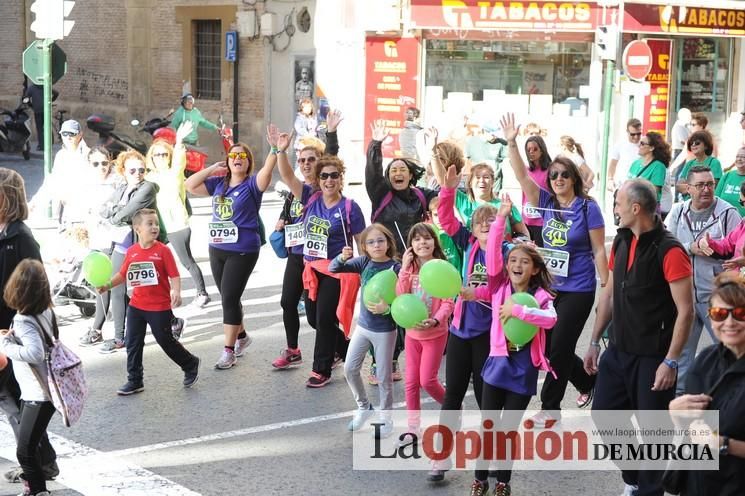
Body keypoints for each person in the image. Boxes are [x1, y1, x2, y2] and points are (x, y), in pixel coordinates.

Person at [584, 179, 694, 496]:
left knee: (654, 432)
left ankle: (649, 489)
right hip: (617, 352)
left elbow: (685, 311)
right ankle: (636, 478)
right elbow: (608, 294)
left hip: (654, 358)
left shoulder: (670, 251)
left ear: (635, 208)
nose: (615, 209)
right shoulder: (621, 241)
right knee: (605, 415)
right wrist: (593, 342)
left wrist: (671, 361)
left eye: (618, 203)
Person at [502, 113, 608, 426]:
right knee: (548, 347)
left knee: (560, 345)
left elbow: (599, 248)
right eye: (554, 175)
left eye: (564, 175)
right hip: (549, 286)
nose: (558, 179)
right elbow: (522, 176)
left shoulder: (588, 207)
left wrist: (607, 283)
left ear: (574, 178)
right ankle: (589, 383)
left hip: (579, 288)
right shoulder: (546, 202)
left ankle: (550, 407)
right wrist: (511, 142)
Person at [463, 195, 557, 496]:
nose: (517, 264)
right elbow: (492, 253)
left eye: (524, 261)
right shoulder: (498, 287)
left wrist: (518, 311)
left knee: (508, 429)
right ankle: (480, 479)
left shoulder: (541, 296)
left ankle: (503, 482)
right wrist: (501, 218)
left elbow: (549, 319)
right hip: (497, 363)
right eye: (513, 260)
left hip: (523, 368)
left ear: (533, 268)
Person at [275, 125, 366, 387]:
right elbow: (288, 175)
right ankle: (346, 347)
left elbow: (362, 242)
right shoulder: (310, 198)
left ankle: (321, 370)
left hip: (338, 269)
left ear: (341, 178)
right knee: (315, 318)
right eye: (324, 176)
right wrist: (280, 150)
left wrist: (363, 269)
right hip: (312, 268)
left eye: (333, 176)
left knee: (325, 317)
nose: (328, 180)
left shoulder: (350, 207)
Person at [427, 165, 499, 482]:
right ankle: (441, 457)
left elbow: (504, 289)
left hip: (488, 336)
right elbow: (445, 219)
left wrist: (477, 291)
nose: (485, 226)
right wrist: (448, 189)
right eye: (480, 223)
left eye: (491, 222)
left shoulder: (506, 252)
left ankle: (490, 459)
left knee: (487, 401)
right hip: (460, 332)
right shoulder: (467, 245)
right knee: (453, 394)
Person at [185, 135, 278, 369]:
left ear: (248, 162)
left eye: (242, 156)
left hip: (243, 249)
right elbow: (189, 185)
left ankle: (229, 351)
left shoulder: (253, 185)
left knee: (228, 297)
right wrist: (210, 169)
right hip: (217, 248)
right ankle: (243, 337)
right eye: (233, 156)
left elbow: (268, 169)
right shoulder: (219, 183)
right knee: (230, 296)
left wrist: (276, 148)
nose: (237, 159)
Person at [95, 209, 200, 395]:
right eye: (149, 223)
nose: (154, 227)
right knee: (132, 341)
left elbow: (174, 275)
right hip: (137, 306)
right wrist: (107, 285)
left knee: (165, 341)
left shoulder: (163, 251)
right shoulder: (132, 252)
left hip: (159, 306)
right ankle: (135, 380)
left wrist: (177, 291)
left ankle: (189, 363)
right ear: (137, 228)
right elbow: (122, 274)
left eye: (156, 223)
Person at [367, 120, 438, 383]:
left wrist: (432, 153)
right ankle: (381, 362)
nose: (398, 172)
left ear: (410, 175)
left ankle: (414, 361)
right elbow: (372, 174)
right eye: (393, 169)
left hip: (415, 264)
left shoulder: (420, 195)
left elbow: (443, 196)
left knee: (411, 312)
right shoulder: (380, 194)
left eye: (402, 169)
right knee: (384, 315)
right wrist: (375, 146)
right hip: (386, 263)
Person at [272, 111, 344, 370]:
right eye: (301, 159)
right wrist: (282, 221)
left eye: (310, 159)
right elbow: (290, 187)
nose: (304, 163)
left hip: (319, 259)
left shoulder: (323, 185)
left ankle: (341, 348)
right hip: (297, 255)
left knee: (317, 318)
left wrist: (331, 134)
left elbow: (330, 159)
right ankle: (293, 349)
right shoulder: (297, 191)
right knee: (287, 302)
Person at [0, 169, 58, 486]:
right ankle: (41, 461)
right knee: (12, 404)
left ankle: (39, 464)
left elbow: (37, 286)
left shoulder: (20, 238)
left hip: (13, 336)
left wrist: (14, 332)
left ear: (6, 198)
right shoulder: (3, 234)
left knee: (14, 403)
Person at [669, 272, 745, 496]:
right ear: (710, 319)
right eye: (720, 314)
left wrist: (722, 444)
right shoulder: (706, 360)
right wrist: (675, 412)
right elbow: (693, 430)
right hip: (702, 484)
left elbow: (709, 439)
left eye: (740, 313)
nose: (729, 322)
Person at [667, 166, 739, 394]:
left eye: (710, 184)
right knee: (681, 356)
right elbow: (666, 245)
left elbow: (738, 250)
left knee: (730, 349)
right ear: (688, 188)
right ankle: (680, 408)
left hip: (716, 299)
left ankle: (729, 401)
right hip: (684, 298)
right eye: (700, 185)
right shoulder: (678, 212)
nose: (706, 189)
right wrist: (692, 248)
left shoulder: (728, 213)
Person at [330, 224, 400, 438]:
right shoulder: (364, 262)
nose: (376, 245)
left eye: (381, 240)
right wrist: (342, 257)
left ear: (388, 242)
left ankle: (386, 419)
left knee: (383, 377)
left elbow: (404, 300)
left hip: (385, 331)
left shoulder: (397, 267)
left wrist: (386, 309)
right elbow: (334, 269)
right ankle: (364, 407)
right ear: (365, 247)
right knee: (350, 369)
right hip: (363, 327)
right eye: (371, 242)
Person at [88, 150, 160, 353]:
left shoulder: (147, 188)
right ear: (123, 171)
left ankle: (120, 337)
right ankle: (170, 322)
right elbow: (105, 208)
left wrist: (115, 213)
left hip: (135, 244)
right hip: (119, 241)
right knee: (141, 292)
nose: (138, 173)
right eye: (132, 170)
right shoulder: (122, 187)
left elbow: (125, 213)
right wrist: (116, 212)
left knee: (118, 288)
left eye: (141, 169)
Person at [0, 259, 59, 496]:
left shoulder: (23, 320)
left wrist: (6, 344)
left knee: (24, 451)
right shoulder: (46, 312)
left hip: (37, 394)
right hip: (43, 390)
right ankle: (34, 489)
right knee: (30, 447)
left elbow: (35, 352)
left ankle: (38, 491)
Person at [396, 223, 455, 437]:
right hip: (412, 335)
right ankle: (413, 428)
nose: (422, 243)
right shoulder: (409, 269)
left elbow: (449, 302)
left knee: (427, 381)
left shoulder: (441, 267)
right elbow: (401, 296)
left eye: (427, 238)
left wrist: (437, 320)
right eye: (417, 239)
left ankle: (453, 408)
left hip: (435, 334)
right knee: (411, 382)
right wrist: (404, 267)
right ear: (411, 245)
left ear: (434, 242)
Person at [145, 123, 210, 308]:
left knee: (186, 260)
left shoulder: (174, 173)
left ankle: (202, 293)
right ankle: (157, 295)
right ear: (151, 158)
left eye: (164, 154)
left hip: (177, 225)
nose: (161, 158)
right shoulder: (150, 176)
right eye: (157, 155)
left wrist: (179, 141)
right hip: (160, 226)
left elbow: (180, 160)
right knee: (154, 261)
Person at [77, 146, 124, 346]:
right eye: (96, 163)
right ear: (89, 164)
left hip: (114, 240)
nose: (101, 167)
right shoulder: (86, 183)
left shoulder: (118, 182)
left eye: (104, 163)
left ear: (110, 162)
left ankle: (100, 329)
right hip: (96, 239)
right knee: (102, 285)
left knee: (110, 287)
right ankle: (101, 329)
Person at [32, 120, 90, 224]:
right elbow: (51, 182)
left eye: (72, 134)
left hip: (82, 211)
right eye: (64, 134)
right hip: (64, 211)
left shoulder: (88, 155)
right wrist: (34, 202)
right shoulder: (61, 155)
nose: (68, 137)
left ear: (80, 135)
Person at [517, 134, 552, 246]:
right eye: (528, 150)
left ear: (542, 150)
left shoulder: (551, 171)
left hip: (543, 222)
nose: (531, 152)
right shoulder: (525, 171)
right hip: (527, 221)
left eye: (535, 149)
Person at [675, 130, 723, 200]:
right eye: (691, 143)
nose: (693, 145)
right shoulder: (689, 163)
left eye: (697, 143)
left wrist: (689, 187)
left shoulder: (714, 163)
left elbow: (712, 186)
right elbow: (679, 186)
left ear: (706, 146)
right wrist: (698, 187)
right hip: (688, 203)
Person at [627, 131, 671, 205]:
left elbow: (654, 192)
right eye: (640, 143)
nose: (639, 145)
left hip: (646, 208)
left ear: (651, 148)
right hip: (631, 204)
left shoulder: (658, 167)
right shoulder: (635, 163)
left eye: (642, 144)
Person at [465, 124, 507, 194]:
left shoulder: (502, 143)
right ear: (483, 131)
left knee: (492, 205)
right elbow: (466, 162)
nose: (495, 136)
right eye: (492, 134)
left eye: (496, 134)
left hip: (494, 185)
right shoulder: (472, 141)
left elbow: (513, 158)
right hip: (477, 183)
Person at [607, 118, 642, 193]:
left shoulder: (645, 143)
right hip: (622, 185)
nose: (636, 137)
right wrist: (610, 179)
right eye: (632, 134)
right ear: (627, 131)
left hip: (639, 186)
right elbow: (613, 164)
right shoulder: (620, 144)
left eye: (639, 134)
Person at [715, 146, 745, 216]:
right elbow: (716, 199)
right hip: (724, 220)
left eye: (743, 157)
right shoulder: (727, 175)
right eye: (737, 156)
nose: (739, 159)